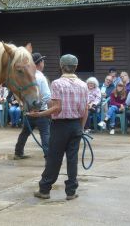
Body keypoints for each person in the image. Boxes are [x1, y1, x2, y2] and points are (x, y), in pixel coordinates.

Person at [28, 54, 88, 201]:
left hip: (60, 126)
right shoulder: (83, 84)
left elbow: (57, 108)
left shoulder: (57, 83)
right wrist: (80, 128)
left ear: (61, 66)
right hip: (76, 125)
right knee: (72, 159)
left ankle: (45, 189)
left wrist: (39, 115)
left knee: (54, 158)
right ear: (76, 67)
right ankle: (71, 192)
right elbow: (85, 110)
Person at [13, 52, 51, 160]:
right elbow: (47, 95)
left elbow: (19, 93)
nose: (44, 63)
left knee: (25, 133)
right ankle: (48, 156)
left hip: (29, 112)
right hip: (41, 112)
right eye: (42, 61)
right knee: (45, 134)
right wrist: (39, 107)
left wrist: (25, 105)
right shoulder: (41, 77)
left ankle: (18, 152)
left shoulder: (25, 76)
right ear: (39, 63)